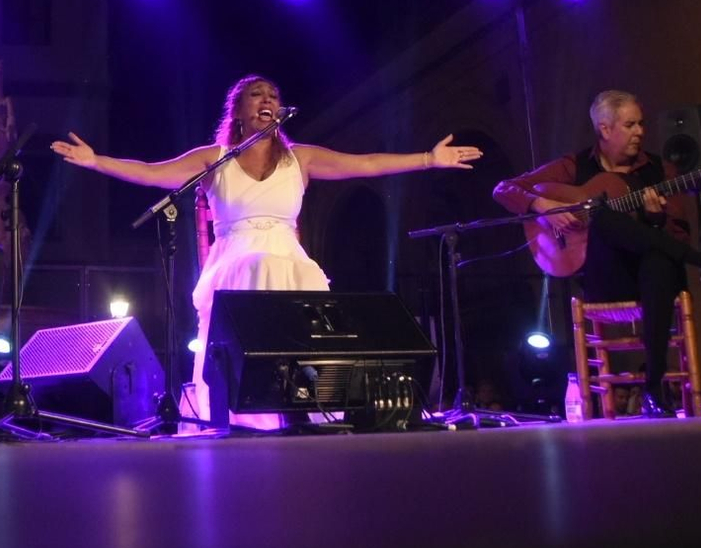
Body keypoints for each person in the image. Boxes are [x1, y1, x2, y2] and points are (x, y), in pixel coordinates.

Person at [50, 73, 481, 428]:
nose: (267, 99)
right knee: (248, 305)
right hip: (234, 263)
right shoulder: (214, 158)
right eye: (256, 94)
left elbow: (366, 163)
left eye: (274, 94)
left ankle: (299, 413)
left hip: (289, 263)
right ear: (237, 110)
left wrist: (429, 158)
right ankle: (241, 416)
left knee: (297, 311)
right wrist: (96, 161)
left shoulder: (302, 158)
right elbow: (151, 173)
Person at [492, 89, 701, 418]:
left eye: (641, 124)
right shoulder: (574, 166)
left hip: (655, 282)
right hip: (607, 279)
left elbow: (679, 235)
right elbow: (503, 189)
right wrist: (542, 206)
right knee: (603, 214)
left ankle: (653, 389)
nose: (641, 131)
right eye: (631, 124)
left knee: (657, 261)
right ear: (605, 129)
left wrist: (655, 221)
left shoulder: (659, 171)